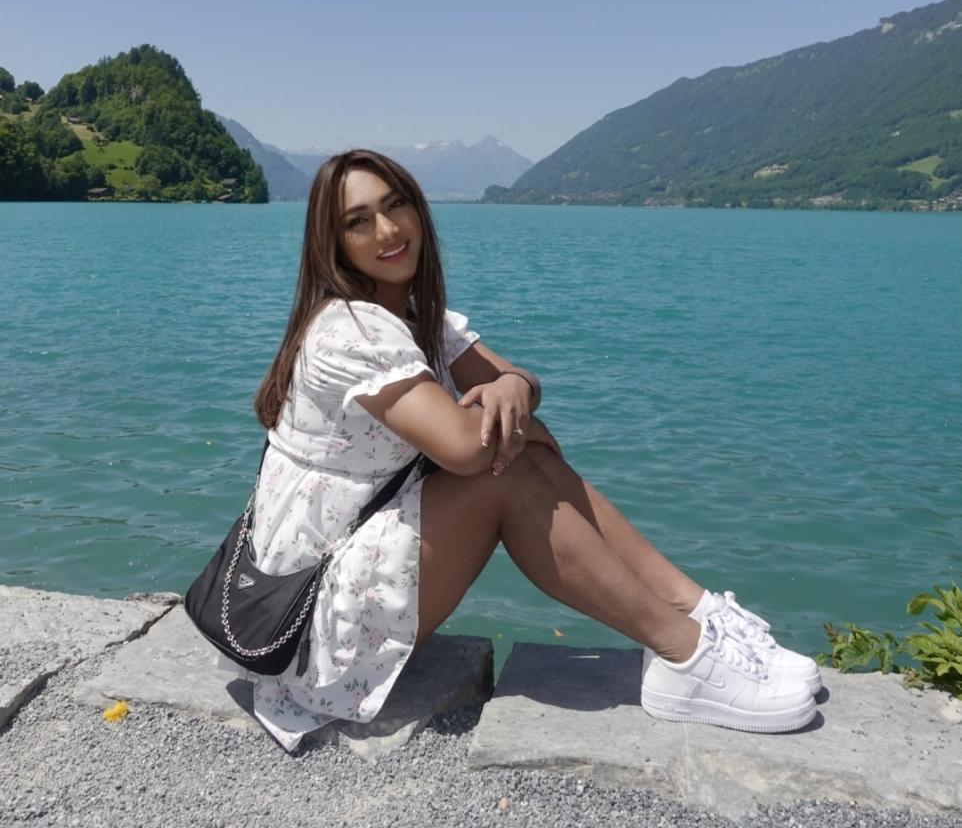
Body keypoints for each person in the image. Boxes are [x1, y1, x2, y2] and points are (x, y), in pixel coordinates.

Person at [248, 149, 820, 751]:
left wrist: (514, 390)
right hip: (304, 627)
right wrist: (515, 422)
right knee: (506, 473)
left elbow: (516, 381)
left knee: (521, 455)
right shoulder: (350, 332)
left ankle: (698, 613)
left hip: (349, 571)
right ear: (334, 244)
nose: (388, 230)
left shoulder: (416, 319)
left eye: (396, 205)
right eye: (359, 221)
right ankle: (684, 655)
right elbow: (468, 451)